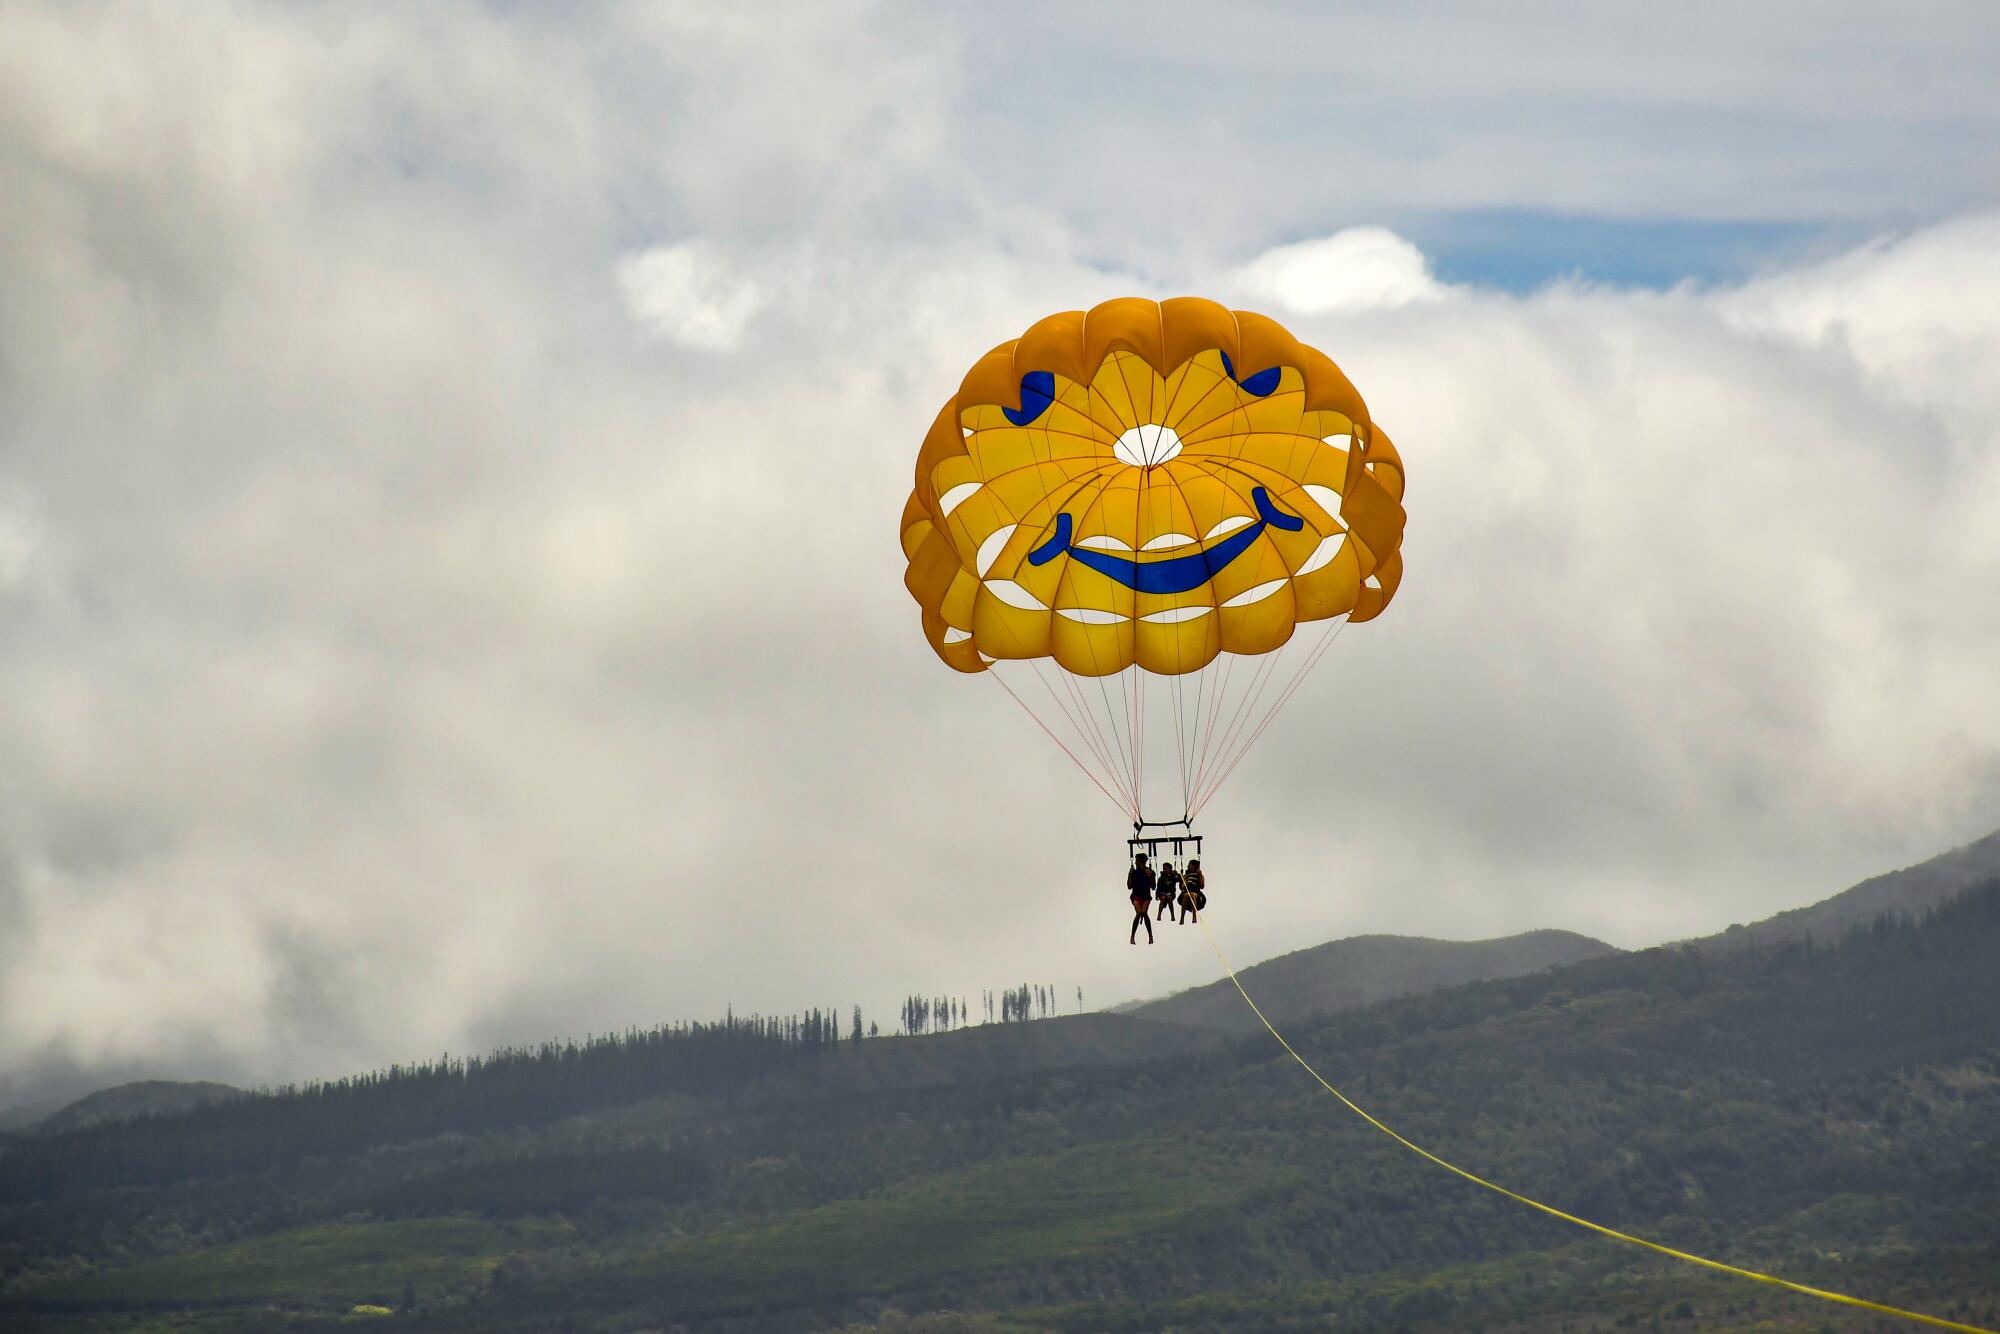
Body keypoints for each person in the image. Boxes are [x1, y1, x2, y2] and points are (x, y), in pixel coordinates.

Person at [1127, 853, 1155, 944]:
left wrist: (1149, 875)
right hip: (1136, 896)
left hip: (1146, 896)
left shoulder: (1150, 871)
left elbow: (1153, 886)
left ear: (1140, 862)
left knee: (1144, 912)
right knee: (1139, 913)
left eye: (1136, 861)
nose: (1135, 863)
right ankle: (1132, 936)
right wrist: (1130, 875)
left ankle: (1150, 936)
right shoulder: (1134, 873)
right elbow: (1129, 886)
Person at [1180, 858, 1206, 924]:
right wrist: (1181, 878)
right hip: (1186, 892)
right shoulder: (1186, 875)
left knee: (1191, 894)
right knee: (1186, 895)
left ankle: (1194, 916)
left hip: (1196, 893)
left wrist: (1200, 874)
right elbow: (1181, 887)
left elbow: (1202, 886)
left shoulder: (1199, 875)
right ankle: (1182, 917)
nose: (1188, 867)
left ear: (1194, 866)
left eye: (1189, 865)